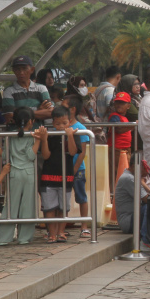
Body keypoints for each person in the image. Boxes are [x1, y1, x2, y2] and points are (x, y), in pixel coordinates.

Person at [0, 108, 40, 245]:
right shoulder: (31, 135)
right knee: (28, 207)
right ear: (31, 121)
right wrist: (38, 141)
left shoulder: (10, 135)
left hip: (14, 173)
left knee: (10, 207)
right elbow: (30, 156)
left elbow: (4, 155)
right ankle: (24, 238)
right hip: (28, 173)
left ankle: (3, 238)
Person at [37, 106, 80, 243]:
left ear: (70, 121)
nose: (61, 126)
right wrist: (44, 139)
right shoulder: (50, 136)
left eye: (64, 123)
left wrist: (70, 137)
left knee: (63, 208)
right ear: (53, 123)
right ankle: (52, 234)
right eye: (57, 124)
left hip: (65, 177)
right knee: (49, 207)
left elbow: (73, 152)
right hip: (49, 176)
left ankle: (61, 232)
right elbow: (46, 155)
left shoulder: (73, 134)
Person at [62, 95, 92, 237]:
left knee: (81, 197)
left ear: (72, 110)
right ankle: (62, 226)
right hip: (64, 168)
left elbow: (82, 152)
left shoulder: (80, 128)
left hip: (77, 169)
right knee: (64, 198)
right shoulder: (62, 126)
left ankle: (84, 226)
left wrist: (74, 169)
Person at [2, 56, 53, 127]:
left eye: (24, 68)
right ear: (13, 70)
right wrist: (39, 110)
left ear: (32, 70)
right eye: (17, 69)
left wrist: (21, 113)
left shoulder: (41, 88)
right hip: (17, 134)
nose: (21, 72)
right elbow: (9, 116)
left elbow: (51, 113)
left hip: (38, 133)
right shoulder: (8, 90)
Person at [114, 151, 150, 242]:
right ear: (135, 166)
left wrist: (142, 182)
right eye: (145, 168)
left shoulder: (132, 177)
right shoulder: (129, 178)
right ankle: (146, 239)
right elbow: (147, 199)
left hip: (133, 218)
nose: (148, 171)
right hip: (128, 221)